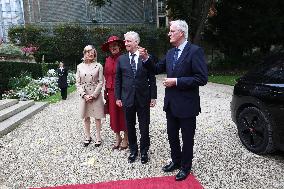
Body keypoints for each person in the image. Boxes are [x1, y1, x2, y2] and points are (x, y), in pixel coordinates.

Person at [140, 20, 208, 181]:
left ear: (181, 33)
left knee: (187, 138)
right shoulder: (171, 53)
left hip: (187, 105)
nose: (169, 34)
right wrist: (145, 58)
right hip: (171, 104)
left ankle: (186, 167)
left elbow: (201, 78)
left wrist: (176, 81)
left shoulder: (195, 51)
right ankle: (176, 161)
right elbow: (156, 69)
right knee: (172, 136)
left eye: (171, 31)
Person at [115, 31, 157, 164]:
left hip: (143, 98)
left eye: (128, 41)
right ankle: (133, 150)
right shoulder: (121, 59)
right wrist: (118, 97)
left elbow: (152, 77)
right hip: (127, 98)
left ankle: (144, 151)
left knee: (144, 126)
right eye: (125, 41)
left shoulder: (146, 57)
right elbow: (118, 80)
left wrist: (153, 96)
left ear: (136, 42)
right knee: (130, 126)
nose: (125, 43)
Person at [101, 36, 128, 150]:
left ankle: (126, 137)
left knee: (124, 114)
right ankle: (118, 137)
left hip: (122, 91)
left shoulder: (124, 58)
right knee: (114, 115)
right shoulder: (107, 60)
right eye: (111, 46)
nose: (113, 47)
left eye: (115, 45)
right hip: (111, 91)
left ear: (120, 46)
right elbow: (106, 76)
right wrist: (106, 91)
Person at [76, 45, 104, 147]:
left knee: (97, 117)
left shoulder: (99, 66)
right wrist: (84, 95)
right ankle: (87, 136)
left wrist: (94, 95)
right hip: (84, 94)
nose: (90, 54)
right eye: (88, 52)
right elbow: (78, 83)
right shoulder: (79, 66)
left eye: (92, 52)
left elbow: (101, 82)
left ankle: (98, 137)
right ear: (84, 53)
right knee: (86, 116)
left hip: (95, 94)